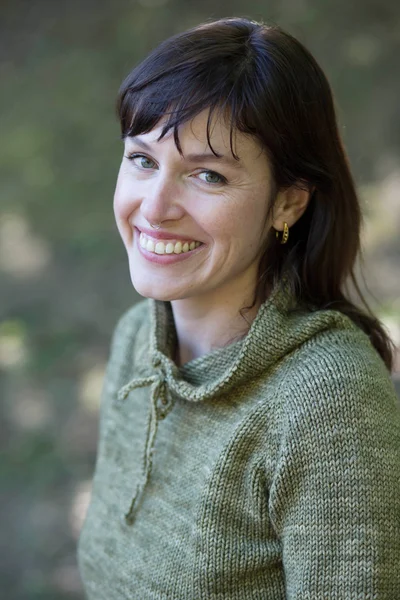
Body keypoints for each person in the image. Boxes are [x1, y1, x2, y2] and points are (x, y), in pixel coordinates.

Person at [77, 17, 400, 599]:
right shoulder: (138, 339)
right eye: (143, 160)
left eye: (207, 174)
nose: (155, 208)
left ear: (288, 203)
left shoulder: (327, 402)